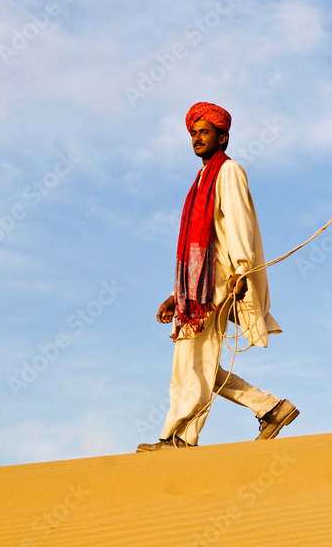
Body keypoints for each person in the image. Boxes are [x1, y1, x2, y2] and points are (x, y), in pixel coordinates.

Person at [137, 102, 297, 452]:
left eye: (204, 131)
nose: (196, 138)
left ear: (222, 137)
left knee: (190, 360)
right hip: (199, 284)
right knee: (196, 360)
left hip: (222, 278)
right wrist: (176, 293)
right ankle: (270, 408)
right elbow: (203, 242)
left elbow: (238, 223)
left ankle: (179, 438)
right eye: (193, 133)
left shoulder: (229, 172)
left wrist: (242, 269)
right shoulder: (200, 181)